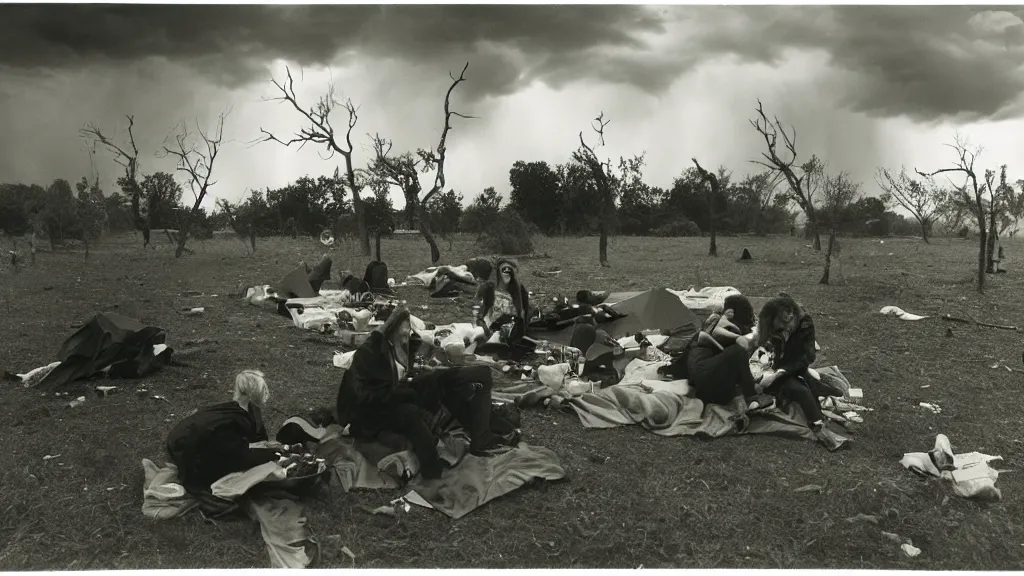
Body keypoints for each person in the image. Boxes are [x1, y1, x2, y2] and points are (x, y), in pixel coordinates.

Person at [336, 308, 514, 480]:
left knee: (475, 377)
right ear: (394, 327)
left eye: (409, 326)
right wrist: (407, 392)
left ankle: (484, 434)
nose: (408, 331)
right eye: (405, 326)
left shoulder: (404, 346)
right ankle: (434, 468)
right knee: (413, 412)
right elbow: (368, 395)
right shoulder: (372, 353)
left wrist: (427, 368)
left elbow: (418, 360)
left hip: (399, 394)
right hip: (375, 410)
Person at [165, 369, 280, 495]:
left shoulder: (245, 410)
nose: (266, 393)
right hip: (189, 451)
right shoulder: (233, 420)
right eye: (262, 389)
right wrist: (274, 454)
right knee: (239, 467)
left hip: (186, 440)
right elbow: (239, 456)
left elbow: (255, 439)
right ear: (251, 392)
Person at [664, 294, 776, 413]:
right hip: (704, 375)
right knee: (739, 352)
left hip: (702, 380)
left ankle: (747, 395)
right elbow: (719, 334)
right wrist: (738, 337)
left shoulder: (714, 321)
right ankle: (752, 397)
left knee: (736, 359)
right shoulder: (723, 323)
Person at [755, 295, 840, 448]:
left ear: (790, 315)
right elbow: (762, 343)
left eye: (783, 326)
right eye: (778, 328)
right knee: (795, 385)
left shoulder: (804, 324)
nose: (782, 330)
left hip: (793, 365)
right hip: (776, 365)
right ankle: (813, 386)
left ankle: (817, 421)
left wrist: (782, 371)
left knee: (797, 388)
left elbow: (808, 356)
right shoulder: (771, 318)